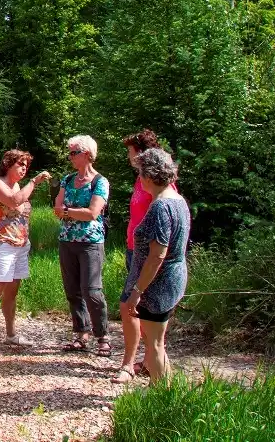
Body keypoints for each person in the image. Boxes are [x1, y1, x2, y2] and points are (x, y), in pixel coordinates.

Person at [121, 148, 190, 385]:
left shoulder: (161, 206)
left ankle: (162, 396)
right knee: (157, 339)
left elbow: (157, 255)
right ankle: (165, 390)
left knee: (155, 343)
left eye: (140, 173)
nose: (139, 178)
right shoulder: (178, 200)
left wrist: (136, 292)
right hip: (172, 278)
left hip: (158, 284)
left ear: (149, 176)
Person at [113, 129, 176, 382]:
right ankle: (148, 363)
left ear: (142, 154)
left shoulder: (162, 189)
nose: (128, 156)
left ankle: (134, 364)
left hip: (148, 254)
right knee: (140, 310)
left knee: (132, 306)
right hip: (134, 248)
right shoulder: (142, 181)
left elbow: (162, 229)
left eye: (130, 151)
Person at [0, 150, 51, 355]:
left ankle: (10, 334)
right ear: (8, 164)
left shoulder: (18, 186)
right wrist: (34, 182)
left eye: (26, 165)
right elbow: (14, 201)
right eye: (20, 164)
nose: (24, 168)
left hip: (19, 246)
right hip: (1, 245)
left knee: (12, 292)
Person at [53, 135, 111, 356]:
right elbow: (57, 207)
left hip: (90, 243)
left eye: (73, 152)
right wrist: (71, 212)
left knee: (92, 290)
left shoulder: (100, 182)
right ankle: (81, 334)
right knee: (73, 290)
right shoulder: (67, 180)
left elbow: (93, 213)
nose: (70, 157)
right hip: (67, 240)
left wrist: (68, 211)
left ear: (87, 154)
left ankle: (103, 336)